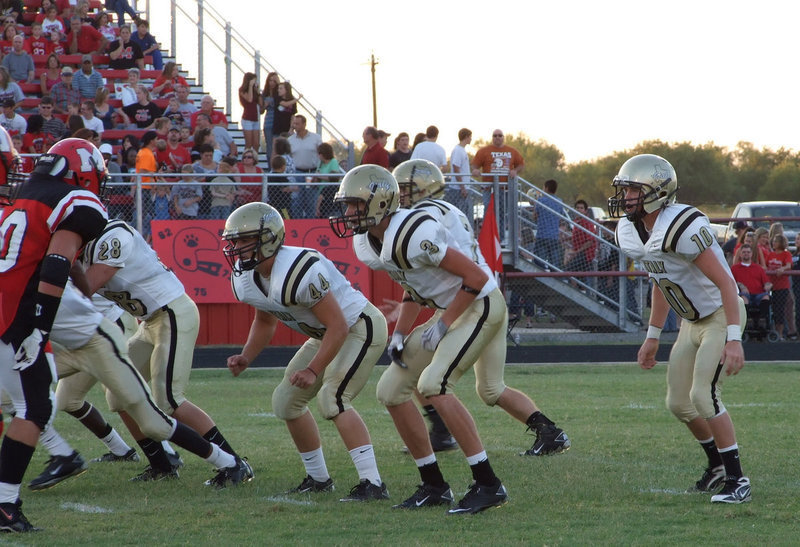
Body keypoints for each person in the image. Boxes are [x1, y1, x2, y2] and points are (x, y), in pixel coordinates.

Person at [330, 165, 570, 514]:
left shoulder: (413, 231)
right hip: (454, 309)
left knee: (434, 385)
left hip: (480, 304)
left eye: (355, 205)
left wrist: (443, 324)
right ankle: (434, 485)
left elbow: (475, 278)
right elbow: (413, 286)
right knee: (390, 391)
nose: (349, 213)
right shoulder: (369, 242)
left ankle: (489, 485)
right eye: (347, 205)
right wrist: (400, 333)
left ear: (380, 203)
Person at [608, 153, 751, 504]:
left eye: (633, 190)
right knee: (678, 403)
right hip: (691, 322)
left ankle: (738, 480)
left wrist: (734, 339)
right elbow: (661, 282)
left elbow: (726, 283)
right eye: (625, 189)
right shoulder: (631, 230)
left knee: (704, 395)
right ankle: (717, 466)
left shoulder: (680, 226)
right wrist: (652, 336)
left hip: (721, 314)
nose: (626, 197)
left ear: (657, 192)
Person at [223, 202, 390, 501]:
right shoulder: (246, 277)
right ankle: (319, 479)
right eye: (234, 241)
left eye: (244, 240)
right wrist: (247, 355)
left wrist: (313, 369)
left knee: (333, 398)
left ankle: (373, 483)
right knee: (286, 402)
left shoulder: (298, 269)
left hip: (359, 326)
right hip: (327, 334)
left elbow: (338, 325)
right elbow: (265, 320)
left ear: (268, 239)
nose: (237, 248)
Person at [79, 217, 253, 486]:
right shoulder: (82, 250)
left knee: (170, 399)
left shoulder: (112, 235)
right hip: (150, 321)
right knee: (117, 391)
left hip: (172, 312)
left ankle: (234, 463)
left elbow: (85, 288)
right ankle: (162, 464)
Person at [39, 280, 249, 486]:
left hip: (102, 334)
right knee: (37, 394)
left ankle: (230, 462)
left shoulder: (72, 264)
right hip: (86, 338)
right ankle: (153, 461)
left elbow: (86, 280)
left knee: (162, 412)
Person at [0, 135, 108, 533]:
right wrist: (39, 327)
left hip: (5, 303)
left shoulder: (24, 197)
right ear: (83, 174)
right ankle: (5, 505)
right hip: (14, 313)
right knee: (33, 408)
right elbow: (57, 264)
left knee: (27, 403)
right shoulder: (76, 202)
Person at [289, 114, 321, 218]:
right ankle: (297, 224)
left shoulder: (316, 138)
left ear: (304, 124)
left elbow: (322, 156)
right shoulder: (290, 140)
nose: (295, 126)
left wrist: (318, 172)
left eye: (297, 124)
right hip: (297, 174)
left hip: (311, 173)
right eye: (294, 123)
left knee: (310, 201)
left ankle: (311, 223)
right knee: (297, 201)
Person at [531, 179, 564, 269]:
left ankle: (541, 273)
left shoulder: (541, 200)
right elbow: (560, 218)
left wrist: (535, 205)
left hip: (542, 234)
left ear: (546, 188)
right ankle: (553, 273)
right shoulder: (559, 201)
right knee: (554, 262)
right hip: (554, 236)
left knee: (539, 261)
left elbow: (534, 216)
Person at [765, 234, 793, 339]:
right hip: (771, 286)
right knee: (772, 309)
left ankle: (780, 333)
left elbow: (788, 265)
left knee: (779, 310)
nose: (774, 243)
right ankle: (772, 331)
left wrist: (782, 269)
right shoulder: (771, 254)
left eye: (776, 241)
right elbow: (766, 265)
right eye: (773, 241)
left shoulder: (786, 254)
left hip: (782, 286)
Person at [563, 199, 598, 282]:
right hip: (578, 252)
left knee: (569, 270)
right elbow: (578, 236)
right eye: (577, 208)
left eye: (581, 208)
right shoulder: (576, 222)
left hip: (585, 254)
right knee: (577, 275)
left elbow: (590, 241)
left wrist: (577, 252)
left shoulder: (587, 222)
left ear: (585, 211)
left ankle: (572, 287)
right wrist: (566, 239)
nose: (579, 210)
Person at [448, 127, 473, 222]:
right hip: (458, 189)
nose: (471, 139)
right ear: (466, 137)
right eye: (470, 137)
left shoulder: (462, 150)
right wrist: (462, 187)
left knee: (464, 213)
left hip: (462, 188)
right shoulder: (458, 150)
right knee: (459, 214)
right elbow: (456, 167)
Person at [238, 72, 261, 151]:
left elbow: (259, 102)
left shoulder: (254, 90)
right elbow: (249, 99)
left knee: (256, 144)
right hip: (247, 119)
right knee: (249, 143)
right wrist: (250, 86)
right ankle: (246, 156)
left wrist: (257, 91)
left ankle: (255, 156)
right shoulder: (242, 90)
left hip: (255, 118)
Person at [260, 71, 279, 161]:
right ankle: (270, 165)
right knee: (269, 146)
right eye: (270, 80)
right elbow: (261, 111)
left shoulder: (279, 93)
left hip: (278, 121)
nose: (272, 83)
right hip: (268, 121)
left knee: (277, 146)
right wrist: (265, 105)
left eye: (274, 81)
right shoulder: (264, 94)